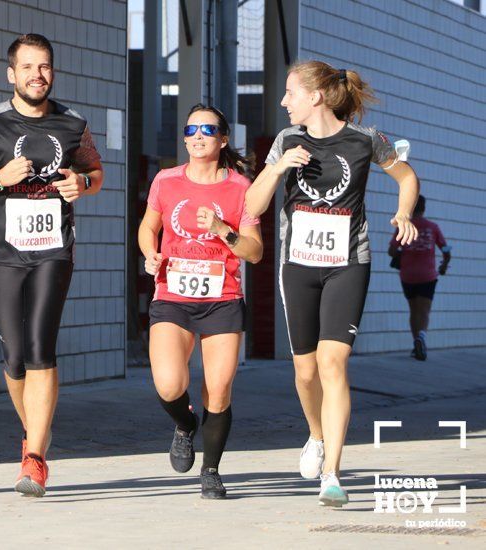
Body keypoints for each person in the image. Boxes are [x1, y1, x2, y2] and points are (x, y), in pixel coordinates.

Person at [245, 61, 419, 507]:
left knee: (333, 362)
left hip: (348, 263)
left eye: (289, 93)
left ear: (315, 96)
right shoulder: (287, 140)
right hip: (298, 265)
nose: (283, 101)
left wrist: (403, 213)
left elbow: (406, 176)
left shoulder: (366, 140)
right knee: (306, 371)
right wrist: (279, 166)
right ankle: (316, 436)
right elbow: (252, 203)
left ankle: (332, 472)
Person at [0, 34, 103, 497]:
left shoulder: (72, 122)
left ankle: (35, 456)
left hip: (54, 248)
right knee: (14, 357)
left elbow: (95, 171)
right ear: (11, 74)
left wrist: (82, 183)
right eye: (29, 67)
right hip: (1, 252)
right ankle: (35, 428)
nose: (39, 75)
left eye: (46, 66)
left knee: (40, 346)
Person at [138, 104, 262, 499]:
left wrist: (224, 229)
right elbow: (148, 226)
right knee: (170, 384)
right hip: (172, 295)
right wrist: (149, 253)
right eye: (191, 129)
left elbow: (255, 252)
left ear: (223, 139)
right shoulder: (166, 180)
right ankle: (185, 425)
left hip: (221, 299)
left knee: (219, 387)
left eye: (207, 129)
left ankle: (210, 469)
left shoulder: (241, 188)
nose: (197, 136)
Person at [388, 195, 450, 360]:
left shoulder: (403, 227)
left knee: (414, 310)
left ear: (411, 207)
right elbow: (445, 249)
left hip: (408, 275)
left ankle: (416, 344)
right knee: (424, 311)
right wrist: (444, 264)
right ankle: (421, 338)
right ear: (423, 208)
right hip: (428, 275)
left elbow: (392, 251)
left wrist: (403, 250)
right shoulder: (433, 227)